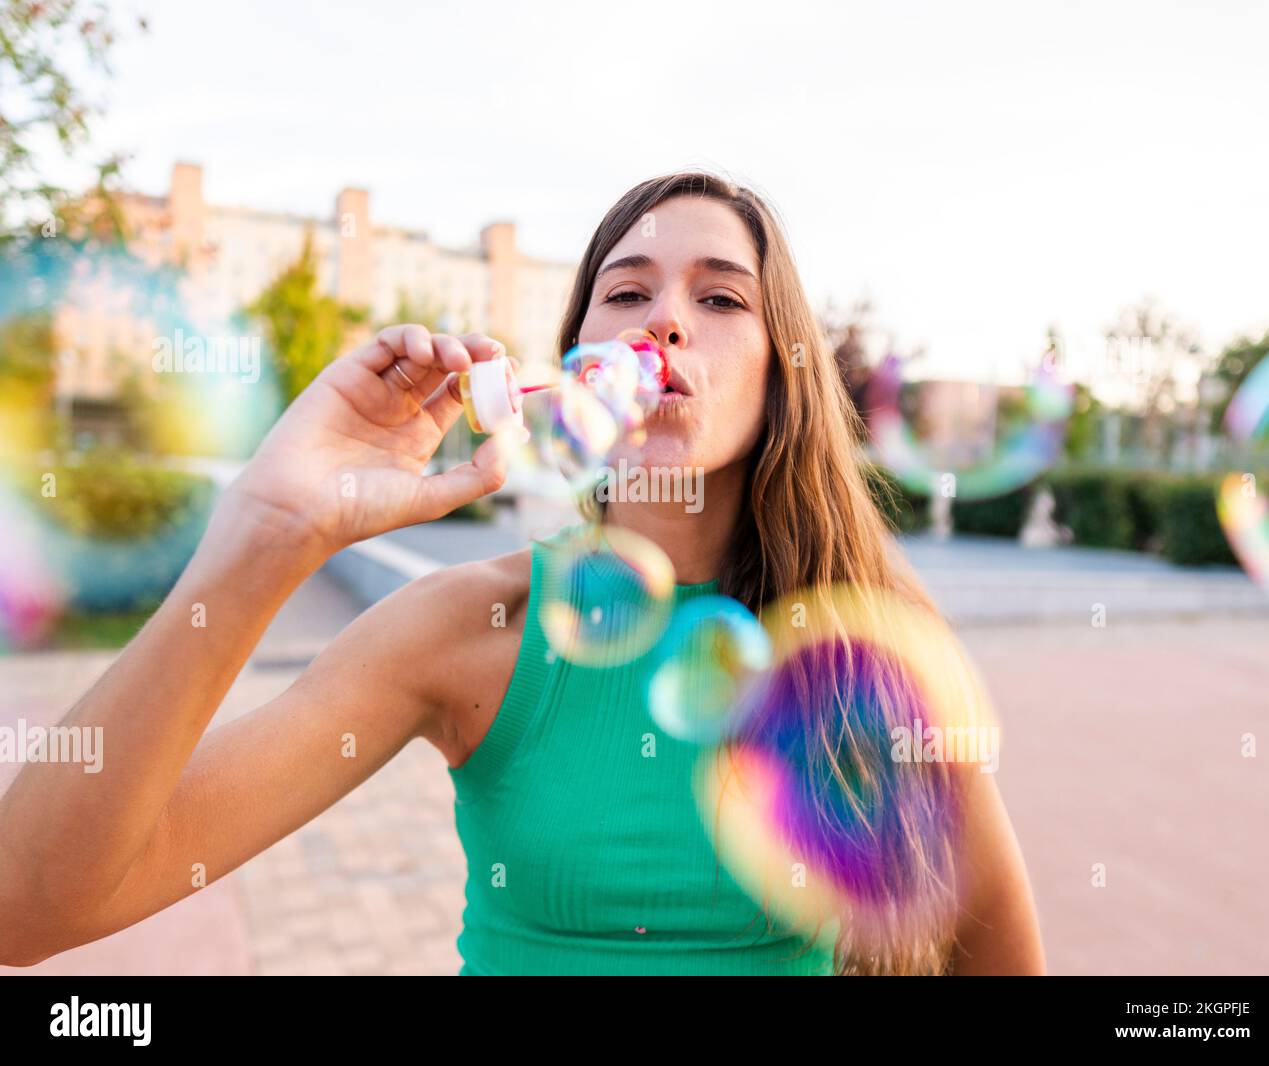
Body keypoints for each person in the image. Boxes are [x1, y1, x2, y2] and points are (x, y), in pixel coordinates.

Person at [0, 172, 1046, 975]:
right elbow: (31, 904)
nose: (664, 319)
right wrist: (267, 534)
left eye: (720, 297)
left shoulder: (866, 641)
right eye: (626, 290)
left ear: (784, 377)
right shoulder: (472, 629)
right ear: (577, 361)